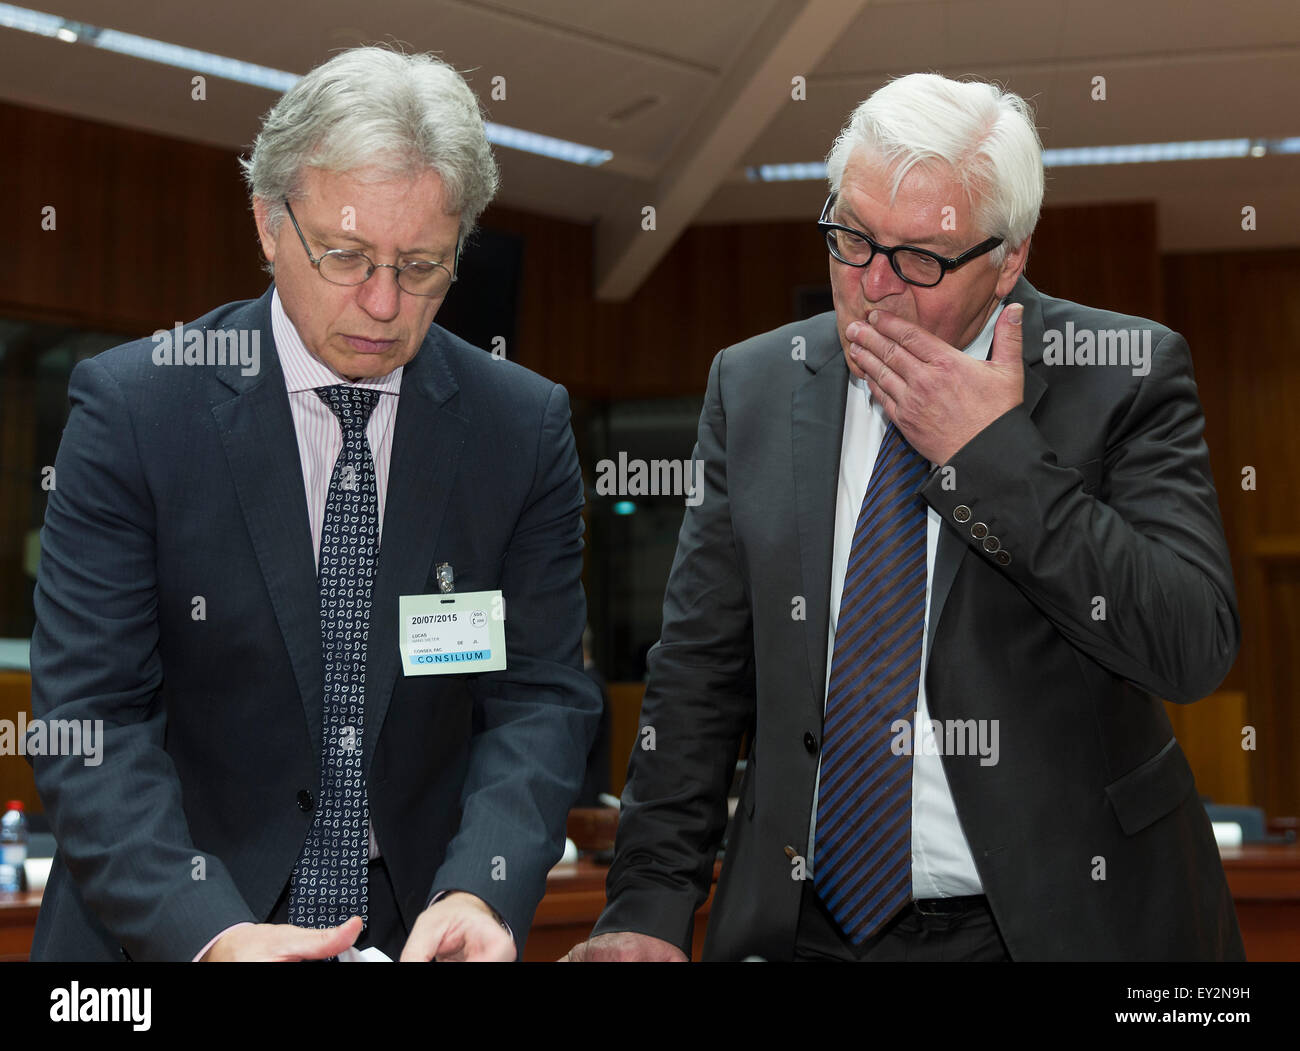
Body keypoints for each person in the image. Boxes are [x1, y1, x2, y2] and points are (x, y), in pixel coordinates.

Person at [566, 73, 1244, 962]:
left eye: (922, 257)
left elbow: (1191, 642)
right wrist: (645, 908)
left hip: (1047, 926)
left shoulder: (1121, 372)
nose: (874, 286)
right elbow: (698, 673)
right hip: (804, 930)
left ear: (1010, 258)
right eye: (852, 237)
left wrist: (993, 459)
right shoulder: (755, 385)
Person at [29, 46, 601, 962]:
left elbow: (536, 695)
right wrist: (210, 932)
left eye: (422, 265)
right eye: (345, 255)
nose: (382, 302)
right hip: (166, 931)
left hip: (417, 926)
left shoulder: (518, 427)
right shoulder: (138, 409)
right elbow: (90, 719)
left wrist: (481, 888)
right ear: (267, 223)